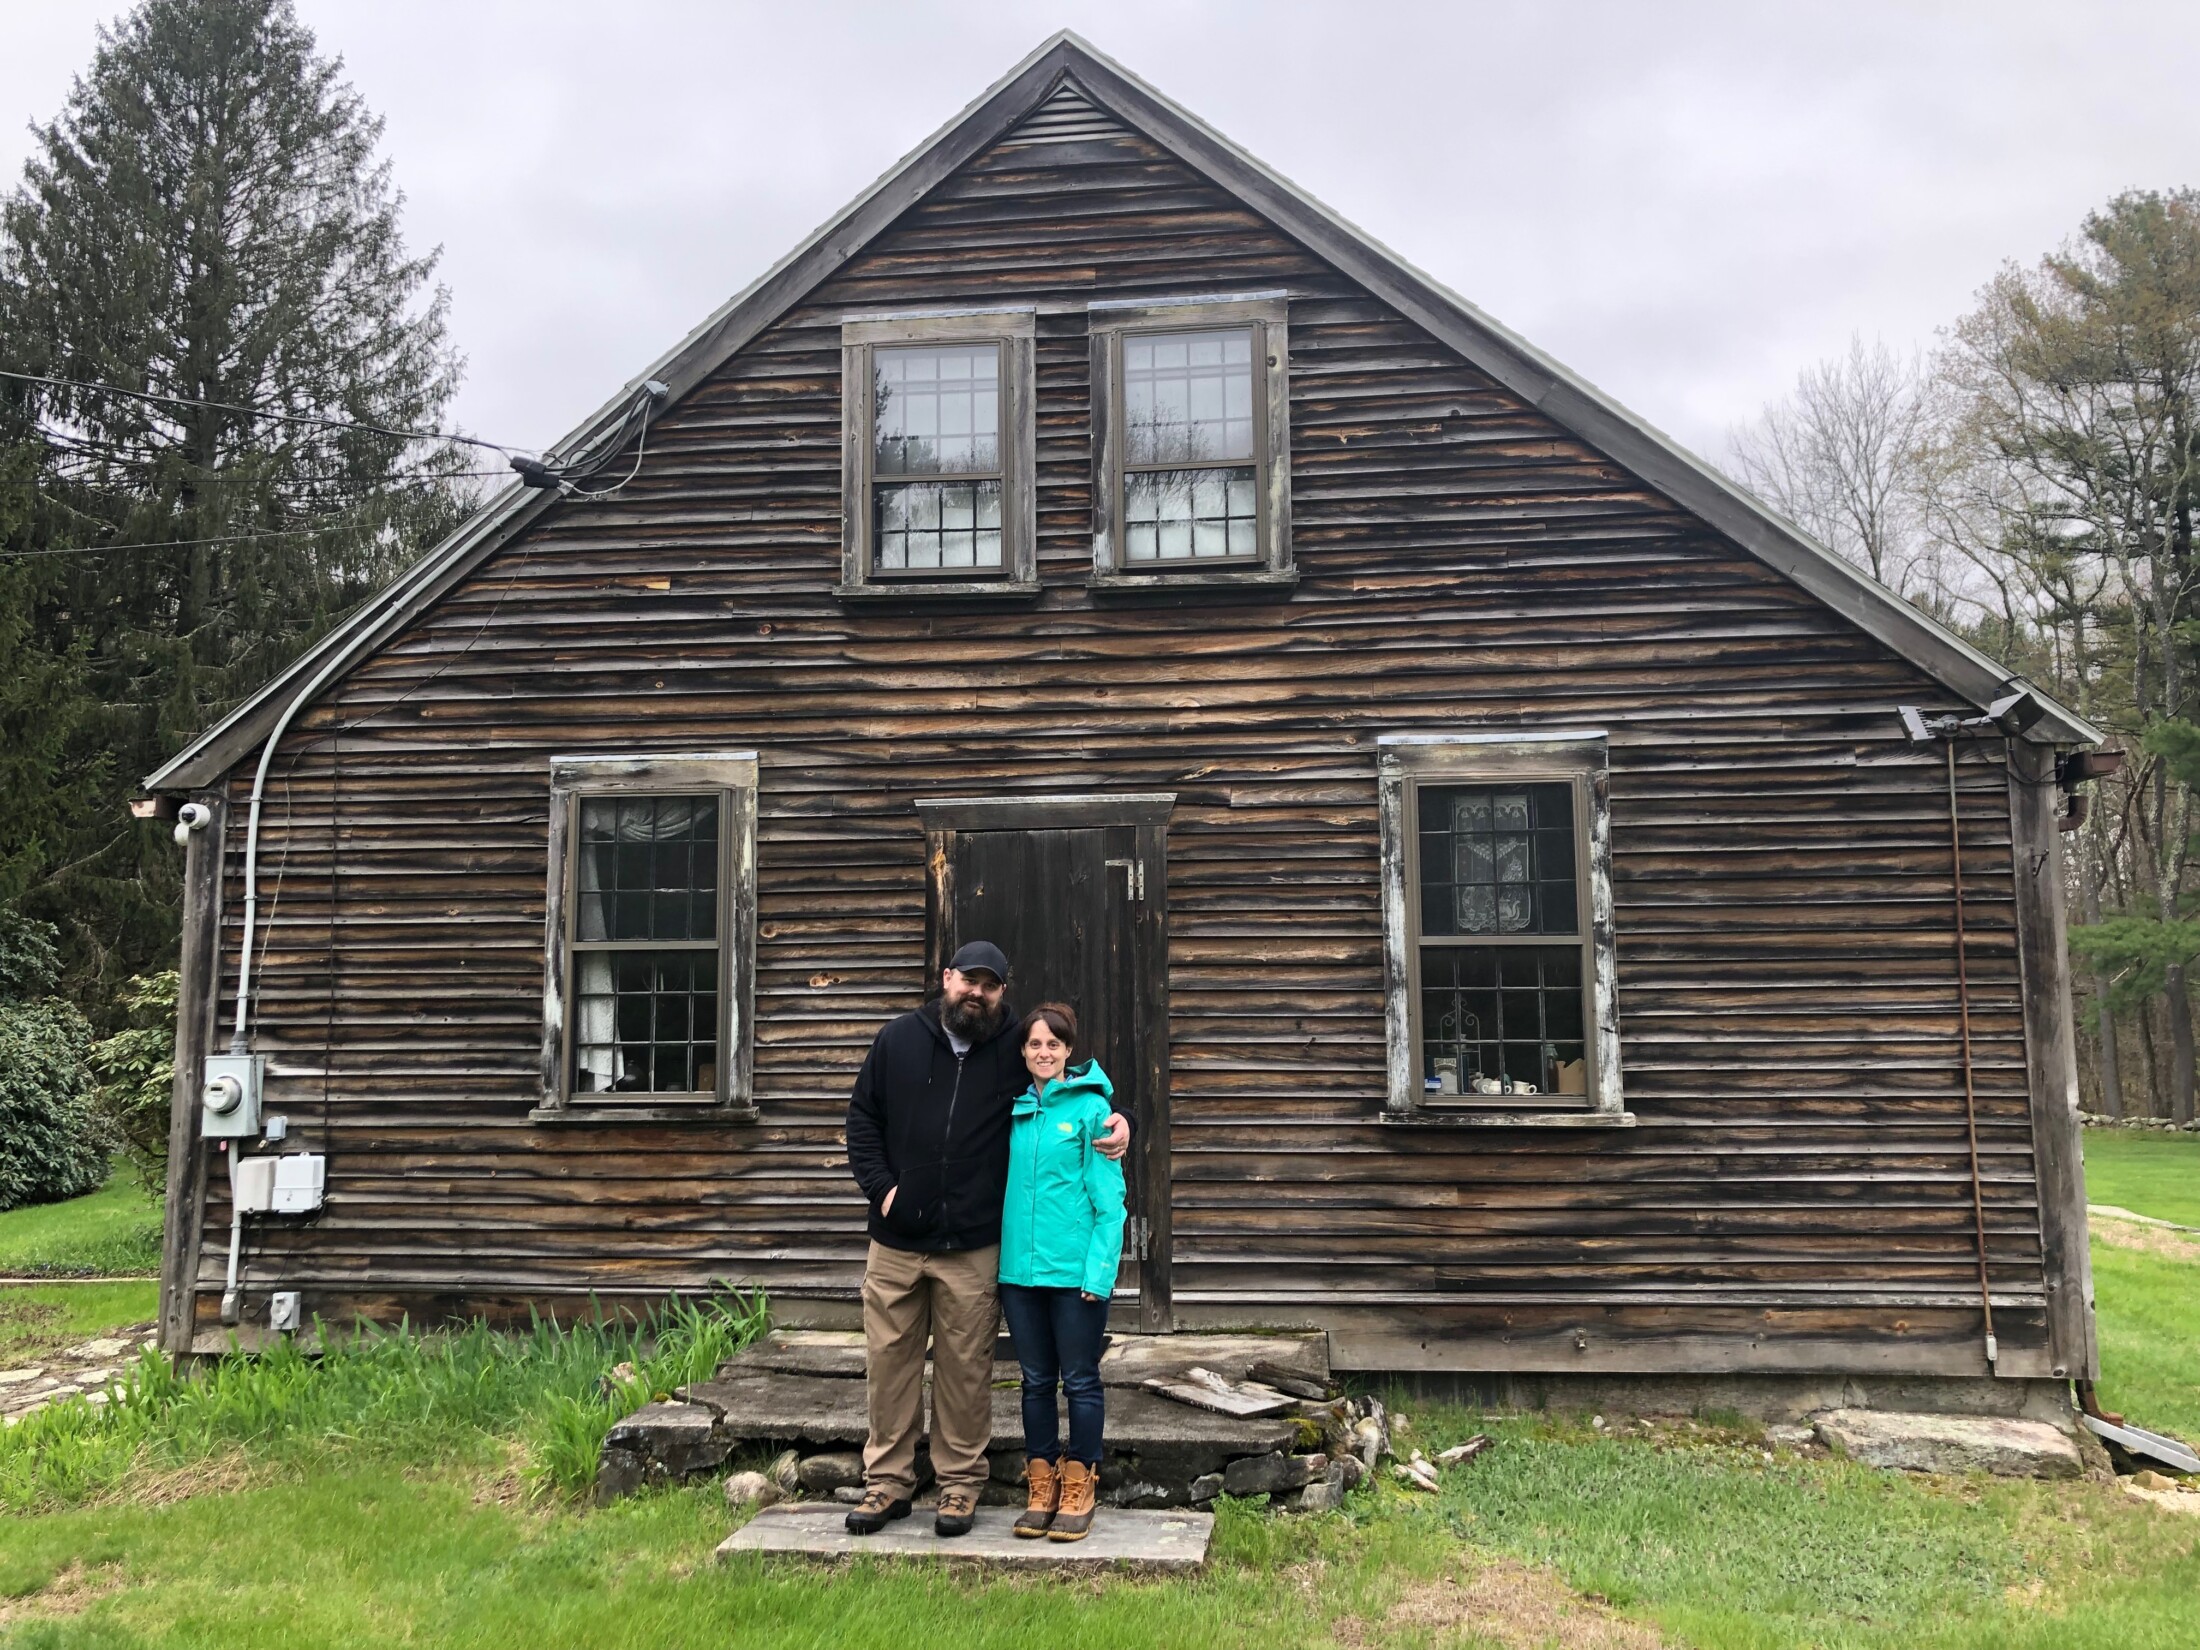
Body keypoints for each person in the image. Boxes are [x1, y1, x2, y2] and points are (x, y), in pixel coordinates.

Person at [842, 942, 1130, 1538]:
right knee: (889, 1364)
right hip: (896, 1241)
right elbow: (861, 1120)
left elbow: (1069, 1085)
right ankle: (887, 1485)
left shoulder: (1011, 1048)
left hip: (971, 1246)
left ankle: (958, 1487)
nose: (976, 992)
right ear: (946, 978)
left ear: (1003, 992)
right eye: (967, 980)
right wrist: (883, 1191)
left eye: (989, 985)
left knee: (965, 1371)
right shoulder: (896, 1039)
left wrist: (1122, 1117)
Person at [998, 1002, 1127, 1542]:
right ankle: (1041, 1482)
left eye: (1054, 1044)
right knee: (1033, 1383)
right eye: (1034, 1045)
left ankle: (1080, 1481)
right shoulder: (1013, 1109)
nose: (1043, 1053)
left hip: (1074, 1277)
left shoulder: (1094, 1111)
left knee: (1079, 1381)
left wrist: (1099, 1275)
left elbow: (1111, 1202)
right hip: (1019, 1276)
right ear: (1023, 1052)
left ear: (1069, 1051)